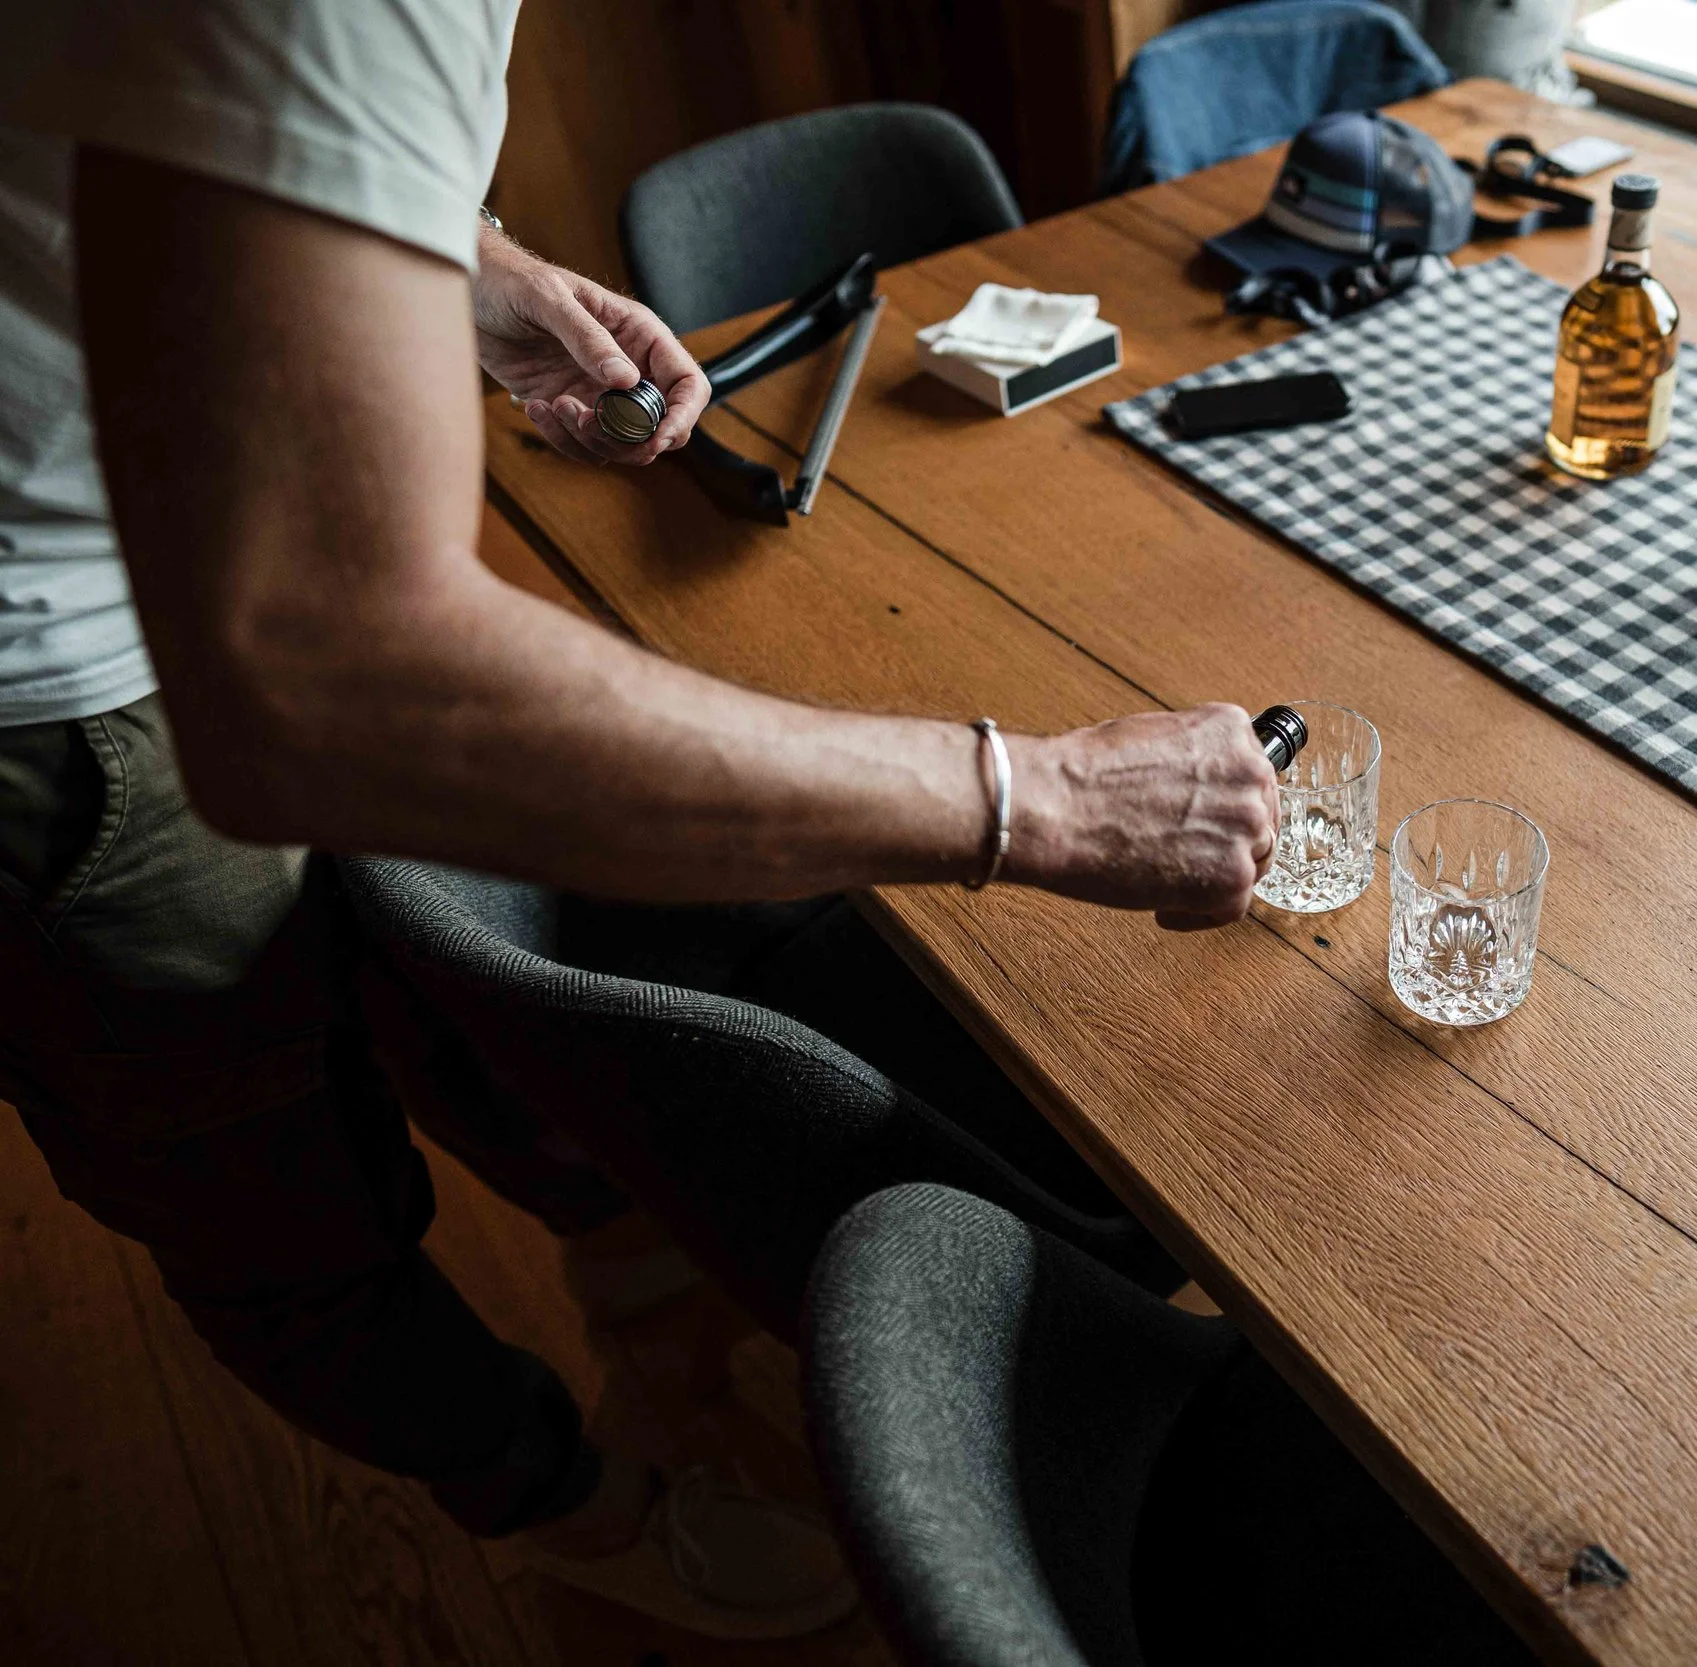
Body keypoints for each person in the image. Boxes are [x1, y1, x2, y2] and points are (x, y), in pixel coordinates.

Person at [0, 0, 1278, 1642]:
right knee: (281, 1201)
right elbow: (329, 688)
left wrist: (457, 262)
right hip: (52, 680)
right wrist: (1034, 796)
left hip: (156, 514)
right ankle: (569, 1505)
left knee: (430, 996)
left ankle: (640, 1320)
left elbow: (122, 107)